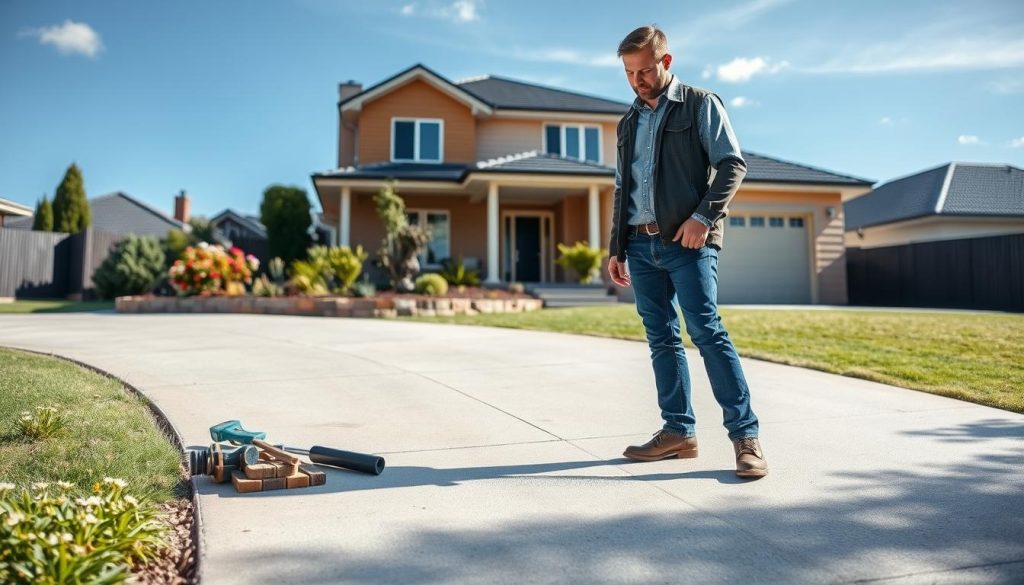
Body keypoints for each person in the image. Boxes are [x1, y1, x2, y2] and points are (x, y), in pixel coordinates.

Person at [606, 25, 767, 478]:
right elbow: (625, 188)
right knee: (660, 338)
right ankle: (678, 431)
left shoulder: (699, 104)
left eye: (644, 70)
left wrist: (703, 218)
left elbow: (732, 164)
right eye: (628, 73)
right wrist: (618, 246)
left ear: (666, 62)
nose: (637, 80)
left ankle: (746, 438)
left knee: (707, 332)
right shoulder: (629, 122)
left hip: (688, 242)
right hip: (640, 244)